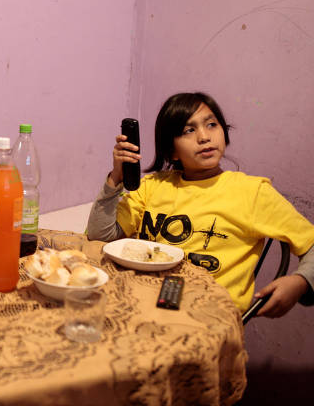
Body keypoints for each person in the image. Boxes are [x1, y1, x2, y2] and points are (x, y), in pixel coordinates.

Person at [87, 92, 314, 317]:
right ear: (172, 150)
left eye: (212, 125)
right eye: (189, 130)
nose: (204, 137)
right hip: (140, 304)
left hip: (208, 317)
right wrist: (116, 177)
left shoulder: (252, 192)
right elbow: (100, 236)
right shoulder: (152, 187)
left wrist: (300, 281)